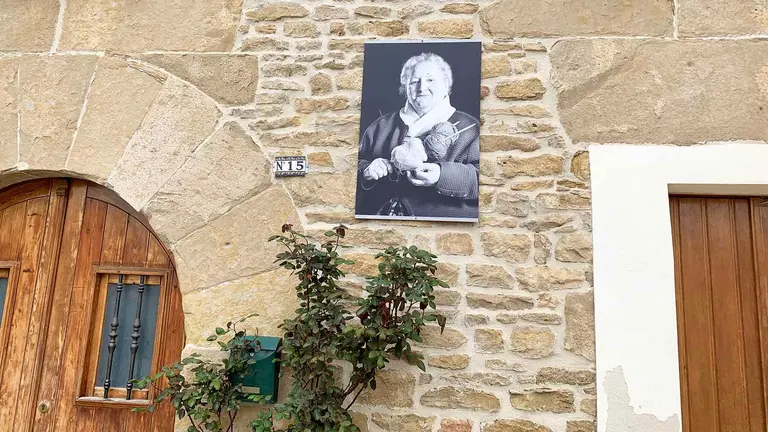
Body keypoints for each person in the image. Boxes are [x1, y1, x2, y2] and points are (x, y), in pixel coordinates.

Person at [356, 52, 480, 220]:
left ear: (446, 86)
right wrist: (367, 171)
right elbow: (353, 166)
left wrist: (441, 175)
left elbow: (487, 180)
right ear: (405, 87)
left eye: (430, 80)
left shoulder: (470, 128)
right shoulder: (380, 126)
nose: (421, 88)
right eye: (414, 81)